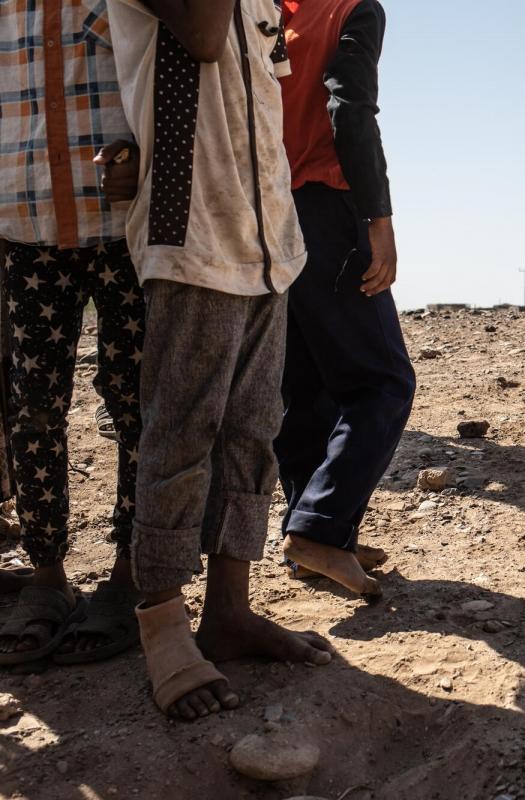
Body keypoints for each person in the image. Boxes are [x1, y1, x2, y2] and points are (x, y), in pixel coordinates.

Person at [106, 0, 333, 721]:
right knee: (179, 433)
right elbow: (202, 35)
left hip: (267, 240)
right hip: (191, 229)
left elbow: (269, 94)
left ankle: (228, 613)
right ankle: (162, 624)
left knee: (253, 430)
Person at [0, 1, 146, 665]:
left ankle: (129, 574)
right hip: (23, 224)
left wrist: (144, 152)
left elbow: (159, 72)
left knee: (133, 401)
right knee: (32, 405)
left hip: (121, 223)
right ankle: (47, 577)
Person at [274, 0, 415, 598]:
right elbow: (350, 109)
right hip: (326, 210)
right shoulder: (354, 8)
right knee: (382, 383)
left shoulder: (269, 14)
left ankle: (318, 536)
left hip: (267, 211)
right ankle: (320, 533)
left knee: (307, 389)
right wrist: (378, 218)